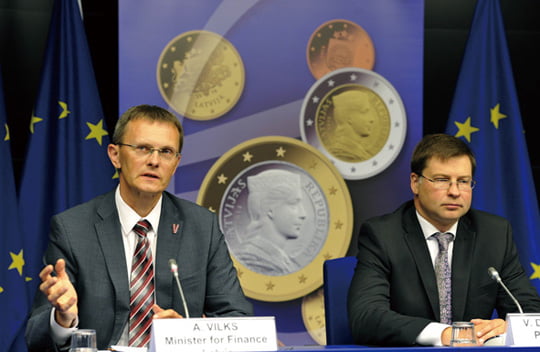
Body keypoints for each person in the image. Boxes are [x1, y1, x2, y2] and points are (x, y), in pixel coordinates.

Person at [26, 105, 253, 351]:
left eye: (166, 152)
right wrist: (63, 318)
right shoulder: (73, 229)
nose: (154, 161)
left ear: (176, 164)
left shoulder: (202, 227)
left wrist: (190, 333)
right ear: (115, 155)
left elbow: (237, 320)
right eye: (143, 148)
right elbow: (36, 339)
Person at [347, 133, 540, 346]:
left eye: (463, 181)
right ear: (415, 183)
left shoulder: (494, 234)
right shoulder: (383, 235)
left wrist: (511, 326)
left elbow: (530, 312)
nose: (455, 192)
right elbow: (367, 317)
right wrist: (445, 334)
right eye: (442, 180)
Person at [233, 169, 307, 276]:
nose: (303, 214)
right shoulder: (251, 261)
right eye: (293, 204)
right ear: (270, 210)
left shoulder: (285, 261)